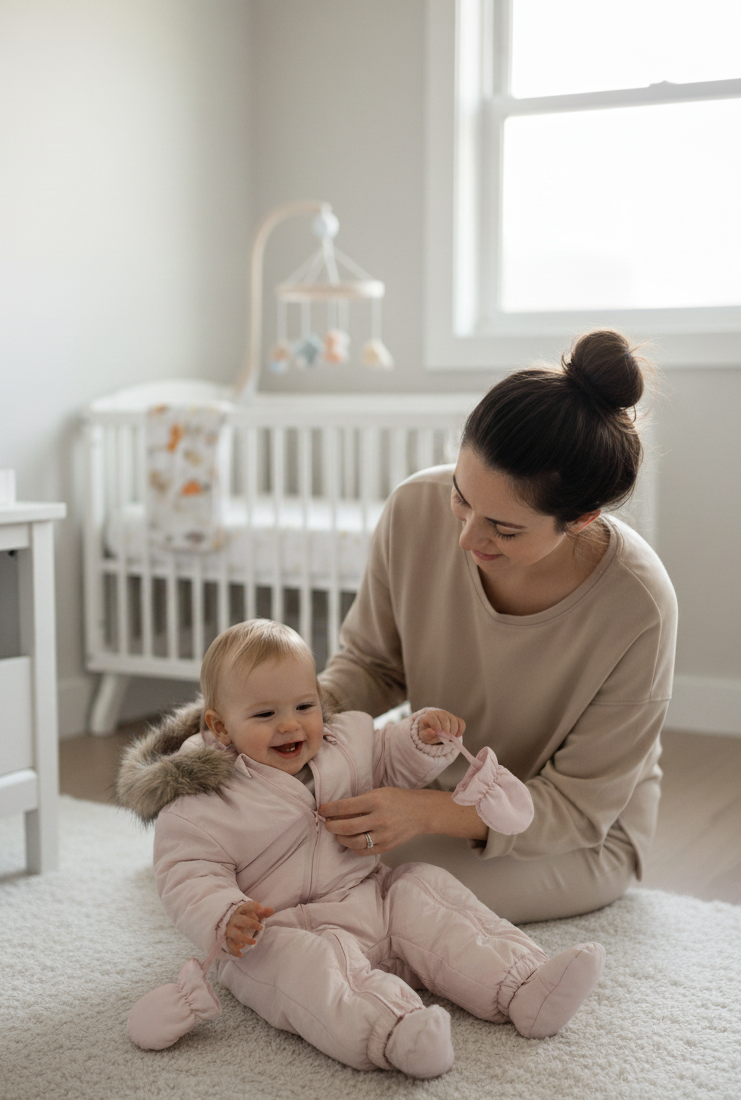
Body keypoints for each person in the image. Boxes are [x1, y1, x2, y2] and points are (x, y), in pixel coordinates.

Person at [116, 619, 605, 1079]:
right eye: (266, 714)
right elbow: (187, 873)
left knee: (423, 887)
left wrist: (420, 737)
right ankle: (394, 1031)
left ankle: (522, 984)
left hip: (367, 897)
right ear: (220, 727)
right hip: (278, 931)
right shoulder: (203, 800)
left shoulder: (342, 744)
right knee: (311, 973)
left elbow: (388, 754)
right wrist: (225, 916)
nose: (291, 725)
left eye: (304, 707)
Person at [317, 329, 678, 925]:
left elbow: (578, 808)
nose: (467, 538)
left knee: (384, 895)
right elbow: (372, 665)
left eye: (504, 530)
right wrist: (297, 717)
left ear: (581, 518)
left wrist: (428, 812)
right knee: (283, 848)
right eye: (461, 498)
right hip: (438, 793)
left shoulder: (637, 606)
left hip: (574, 836)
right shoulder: (413, 508)